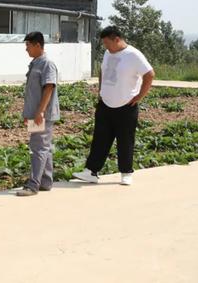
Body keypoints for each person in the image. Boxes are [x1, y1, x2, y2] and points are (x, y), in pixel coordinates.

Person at [73, 26, 155, 186]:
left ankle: (126, 173)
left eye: (107, 43)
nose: (105, 47)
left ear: (117, 39)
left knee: (125, 139)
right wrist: (100, 91)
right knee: (99, 139)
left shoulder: (133, 55)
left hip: (126, 105)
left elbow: (150, 74)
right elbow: (102, 71)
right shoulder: (108, 53)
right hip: (105, 104)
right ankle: (91, 171)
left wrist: (139, 96)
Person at [16, 31, 60, 197]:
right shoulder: (35, 63)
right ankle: (45, 182)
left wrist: (40, 112)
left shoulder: (47, 64)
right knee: (44, 148)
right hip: (35, 114)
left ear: (37, 45)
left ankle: (33, 185)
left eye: (28, 45)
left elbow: (49, 87)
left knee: (38, 148)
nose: (26, 49)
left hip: (42, 115)